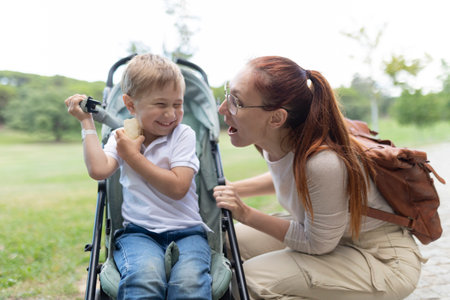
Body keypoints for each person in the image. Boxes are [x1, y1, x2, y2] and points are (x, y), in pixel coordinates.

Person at [213, 56, 424, 300]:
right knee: (226, 240)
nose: (222, 109)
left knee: (247, 280)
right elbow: (290, 178)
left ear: (276, 118)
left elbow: (317, 244)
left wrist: (245, 213)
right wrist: (235, 189)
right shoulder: (278, 142)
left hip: (381, 259)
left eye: (236, 101)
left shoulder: (323, 162)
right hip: (336, 240)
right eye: (229, 94)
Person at [65, 53, 212, 300]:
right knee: (144, 278)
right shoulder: (122, 136)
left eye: (177, 104)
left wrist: (134, 158)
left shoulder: (182, 135)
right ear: (131, 105)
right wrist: (87, 123)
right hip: (139, 233)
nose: (171, 114)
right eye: (160, 104)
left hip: (188, 232)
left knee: (189, 285)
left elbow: (178, 187)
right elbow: (99, 170)